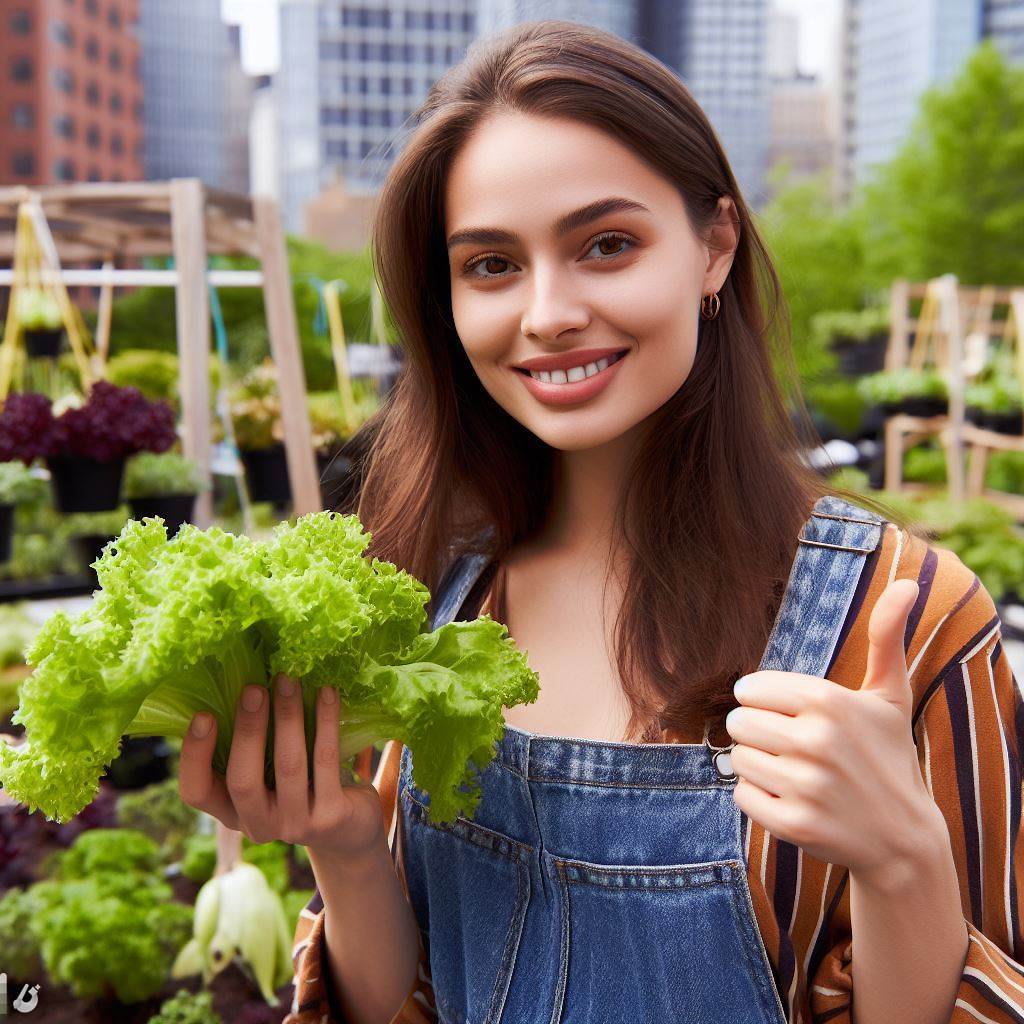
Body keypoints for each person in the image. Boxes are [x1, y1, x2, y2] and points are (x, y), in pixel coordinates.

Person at [180, 20, 1024, 1024]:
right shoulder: (413, 595)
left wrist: (904, 861)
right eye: (491, 265)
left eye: (606, 244)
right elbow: (404, 999)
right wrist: (349, 849)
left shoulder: (903, 611)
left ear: (712, 246)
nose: (547, 312)